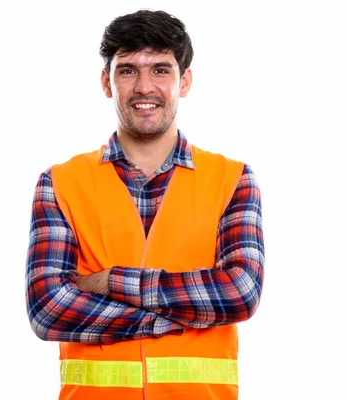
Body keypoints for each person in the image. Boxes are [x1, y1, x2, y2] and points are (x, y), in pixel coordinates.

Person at [25, 9, 265, 400]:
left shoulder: (233, 179)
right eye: (127, 71)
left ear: (184, 81)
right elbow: (48, 309)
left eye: (160, 70)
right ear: (107, 82)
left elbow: (240, 292)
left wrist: (107, 281)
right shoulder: (60, 182)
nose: (144, 87)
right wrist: (173, 317)